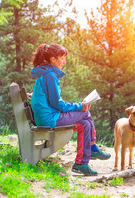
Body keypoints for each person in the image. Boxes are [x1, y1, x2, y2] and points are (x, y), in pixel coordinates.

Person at [30, 43, 111, 176]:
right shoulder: (49, 76)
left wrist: (79, 106)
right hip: (50, 119)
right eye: (61, 58)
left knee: (84, 124)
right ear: (53, 59)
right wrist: (80, 106)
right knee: (86, 113)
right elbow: (58, 105)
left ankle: (81, 163)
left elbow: (53, 103)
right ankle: (92, 149)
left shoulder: (45, 73)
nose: (64, 61)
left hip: (46, 117)